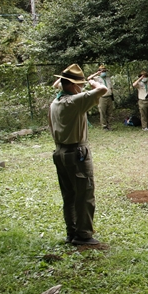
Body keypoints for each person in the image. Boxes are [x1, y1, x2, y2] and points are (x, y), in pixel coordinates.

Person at [49, 64, 107, 246]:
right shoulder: (74, 102)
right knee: (85, 194)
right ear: (74, 86)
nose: (81, 88)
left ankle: (71, 232)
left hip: (60, 152)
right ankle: (83, 235)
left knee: (69, 196)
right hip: (76, 153)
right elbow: (103, 90)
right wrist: (93, 83)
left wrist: (78, 81)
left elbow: (58, 85)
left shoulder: (55, 102)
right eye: (79, 85)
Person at [87, 65, 114, 130]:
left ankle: (109, 125)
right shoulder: (97, 78)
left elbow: (111, 87)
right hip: (102, 97)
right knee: (103, 112)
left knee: (109, 113)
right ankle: (104, 126)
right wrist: (97, 73)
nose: (103, 72)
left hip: (109, 97)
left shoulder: (108, 78)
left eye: (104, 71)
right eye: (102, 71)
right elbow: (88, 78)